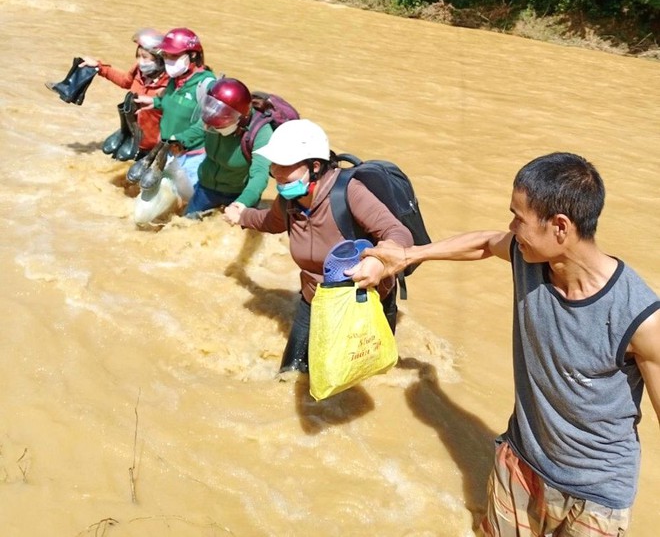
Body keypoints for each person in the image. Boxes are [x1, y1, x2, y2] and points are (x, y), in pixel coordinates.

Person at [348, 152, 660, 536]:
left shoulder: (641, 319)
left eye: (519, 217)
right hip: (521, 464)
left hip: (595, 497)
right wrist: (409, 255)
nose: (512, 227)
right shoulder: (527, 256)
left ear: (560, 228)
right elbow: (484, 242)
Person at [223, 119, 414, 373]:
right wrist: (242, 216)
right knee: (289, 377)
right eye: (274, 165)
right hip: (315, 299)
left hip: (362, 303)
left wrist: (379, 260)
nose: (277, 173)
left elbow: (398, 232)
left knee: (358, 379)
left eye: (285, 165)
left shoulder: (348, 193)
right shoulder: (289, 200)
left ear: (314, 166)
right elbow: (269, 221)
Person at [130, 27, 215, 224]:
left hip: (193, 157)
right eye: (166, 55)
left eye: (173, 55)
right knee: (145, 216)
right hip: (167, 153)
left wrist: (181, 138)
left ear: (193, 55)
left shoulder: (207, 85)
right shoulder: (175, 80)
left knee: (190, 211)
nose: (168, 60)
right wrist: (154, 103)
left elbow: (209, 122)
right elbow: (171, 102)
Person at [185, 77, 273, 217]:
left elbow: (260, 174)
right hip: (206, 188)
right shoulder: (215, 113)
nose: (210, 126)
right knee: (186, 227)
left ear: (240, 119)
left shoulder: (261, 132)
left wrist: (241, 204)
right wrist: (176, 140)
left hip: (239, 193)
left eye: (218, 124)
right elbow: (197, 130)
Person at [79, 28, 169, 160]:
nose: (140, 62)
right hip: (132, 138)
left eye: (145, 57)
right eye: (138, 56)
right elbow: (124, 81)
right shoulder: (138, 71)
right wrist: (99, 67)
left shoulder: (169, 84)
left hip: (153, 147)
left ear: (160, 60)